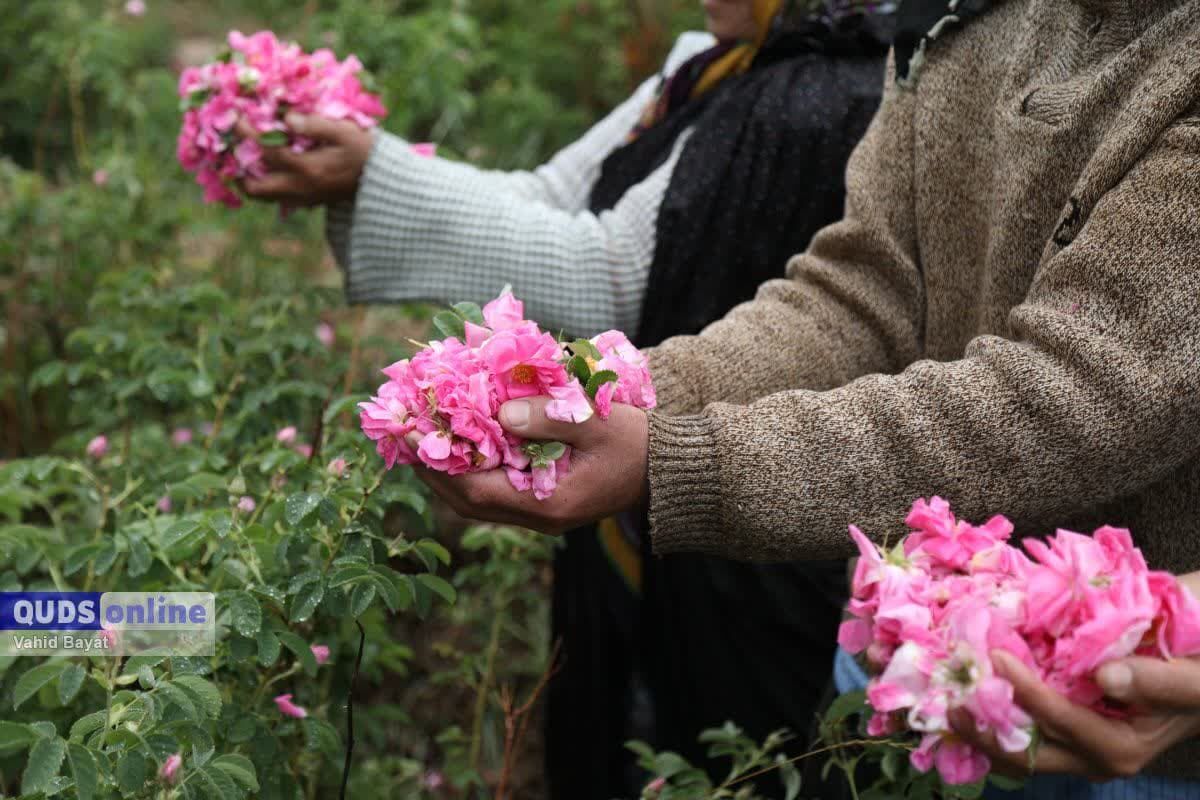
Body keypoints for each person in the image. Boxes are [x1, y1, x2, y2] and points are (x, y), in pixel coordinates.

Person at [396, 0, 1200, 790]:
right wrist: (624, 396)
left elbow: (1076, 394)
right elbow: (865, 290)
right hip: (911, 646)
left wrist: (679, 460)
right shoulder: (960, 15)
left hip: (1131, 712)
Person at [239, 1, 895, 796]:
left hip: (741, 512)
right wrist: (365, 171)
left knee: (721, 741)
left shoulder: (830, 97)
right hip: (625, 466)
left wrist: (373, 170)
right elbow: (553, 192)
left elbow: (612, 273)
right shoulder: (705, 61)